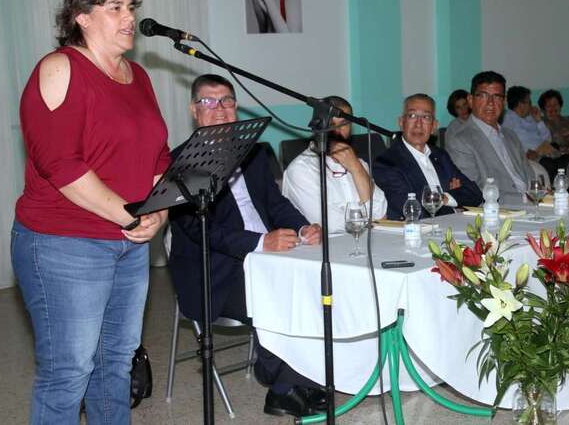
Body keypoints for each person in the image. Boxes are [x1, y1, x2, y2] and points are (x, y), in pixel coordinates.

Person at [12, 0, 171, 423]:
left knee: (116, 365)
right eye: (115, 7)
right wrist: (130, 215)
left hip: (130, 242)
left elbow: (158, 152)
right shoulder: (60, 67)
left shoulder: (137, 75)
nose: (129, 18)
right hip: (65, 243)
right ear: (81, 16)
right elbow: (61, 165)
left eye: (131, 7)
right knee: (69, 371)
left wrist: (155, 210)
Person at [169, 74, 324, 417]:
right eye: (209, 102)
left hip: (267, 254)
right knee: (277, 293)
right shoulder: (181, 162)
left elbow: (275, 203)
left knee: (320, 279)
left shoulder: (252, 152)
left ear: (236, 107)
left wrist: (303, 227)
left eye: (226, 101)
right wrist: (259, 242)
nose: (220, 109)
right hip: (214, 269)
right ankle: (282, 387)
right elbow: (199, 231)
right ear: (195, 110)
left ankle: (303, 375)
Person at [282, 96, 387, 233]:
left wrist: (355, 168)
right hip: (325, 250)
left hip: (367, 244)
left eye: (343, 124)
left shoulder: (358, 163)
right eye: (331, 124)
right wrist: (369, 218)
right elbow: (330, 225)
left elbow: (381, 215)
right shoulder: (301, 170)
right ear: (316, 126)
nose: (337, 131)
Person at [373, 94, 482, 220]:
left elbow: (475, 194)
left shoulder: (440, 155)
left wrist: (444, 198)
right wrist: (455, 207)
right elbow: (412, 210)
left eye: (426, 117)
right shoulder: (386, 163)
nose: (418, 124)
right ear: (401, 123)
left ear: (433, 126)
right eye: (412, 116)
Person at [445, 72, 533, 194]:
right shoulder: (460, 141)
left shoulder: (510, 135)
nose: (490, 103)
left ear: (504, 102)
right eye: (483, 96)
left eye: (497, 97)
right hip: (500, 209)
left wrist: (540, 194)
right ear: (470, 100)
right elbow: (474, 192)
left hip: (532, 205)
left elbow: (530, 177)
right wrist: (525, 199)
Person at [538, 89, 569, 157]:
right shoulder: (540, 123)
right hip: (550, 158)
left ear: (560, 106)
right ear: (543, 109)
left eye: (555, 104)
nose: (553, 108)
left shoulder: (568, 121)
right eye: (549, 105)